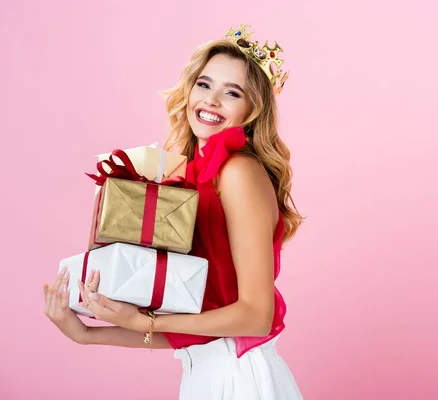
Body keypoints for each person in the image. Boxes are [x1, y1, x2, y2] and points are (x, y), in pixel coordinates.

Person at [44, 24, 304, 399]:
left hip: (241, 381)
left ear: (252, 109)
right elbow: (201, 332)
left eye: (232, 92)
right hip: (206, 378)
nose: (211, 100)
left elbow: (255, 316)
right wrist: (88, 334)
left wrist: (142, 320)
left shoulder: (238, 172)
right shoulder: (198, 174)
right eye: (204, 84)